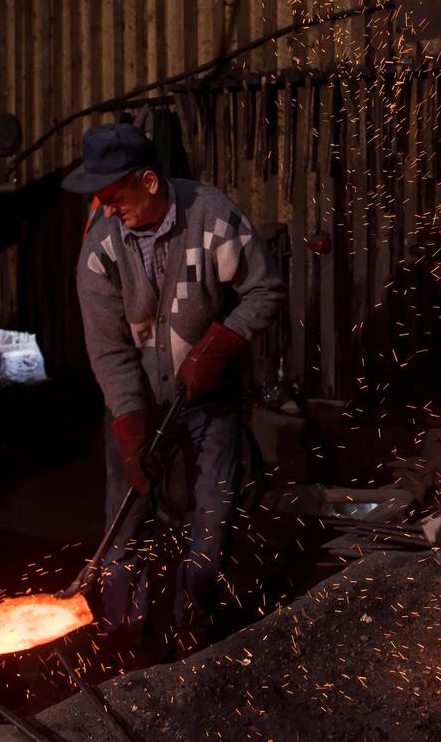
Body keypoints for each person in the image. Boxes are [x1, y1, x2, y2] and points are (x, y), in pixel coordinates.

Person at [67, 122, 284, 665]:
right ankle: (125, 641)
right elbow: (110, 350)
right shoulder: (100, 251)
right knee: (124, 527)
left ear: (149, 181)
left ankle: (195, 628)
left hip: (211, 404)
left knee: (211, 523)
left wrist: (220, 344)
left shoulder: (214, 217)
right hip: (137, 403)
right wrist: (131, 425)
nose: (107, 209)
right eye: (100, 199)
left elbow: (265, 289)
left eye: (114, 197)